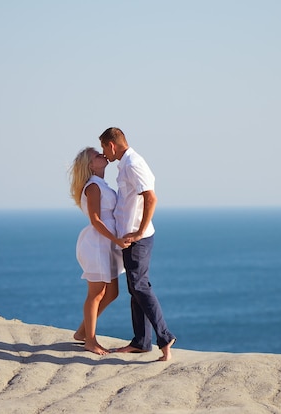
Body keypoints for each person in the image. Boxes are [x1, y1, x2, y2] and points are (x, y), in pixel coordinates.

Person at [99, 127, 176, 362]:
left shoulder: (133, 163)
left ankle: (164, 337)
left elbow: (151, 197)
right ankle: (141, 342)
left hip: (137, 239)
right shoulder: (124, 164)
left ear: (112, 145)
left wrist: (140, 232)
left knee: (140, 286)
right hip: (128, 238)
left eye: (104, 148)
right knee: (135, 288)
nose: (104, 154)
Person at [69, 147, 128, 355]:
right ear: (90, 165)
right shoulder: (93, 186)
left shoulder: (101, 184)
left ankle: (81, 332)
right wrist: (117, 240)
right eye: (97, 155)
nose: (102, 155)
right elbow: (95, 220)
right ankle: (90, 340)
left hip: (108, 244)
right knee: (96, 294)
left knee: (112, 292)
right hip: (97, 244)